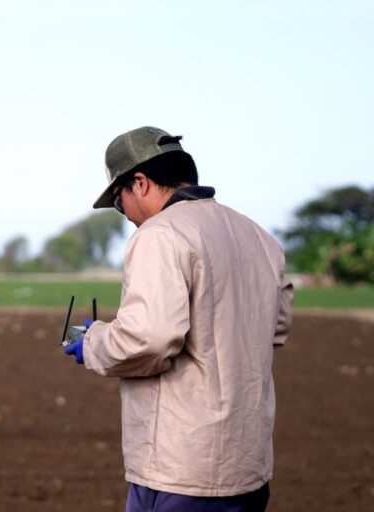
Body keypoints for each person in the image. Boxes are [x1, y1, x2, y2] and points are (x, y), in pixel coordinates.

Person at [63, 126, 294, 512]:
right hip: (248, 464)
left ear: (139, 182)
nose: (127, 216)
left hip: (182, 470)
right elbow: (277, 326)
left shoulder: (161, 234)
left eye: (119, 202)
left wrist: (94, 341)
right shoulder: (259, 237)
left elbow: (149, 339)